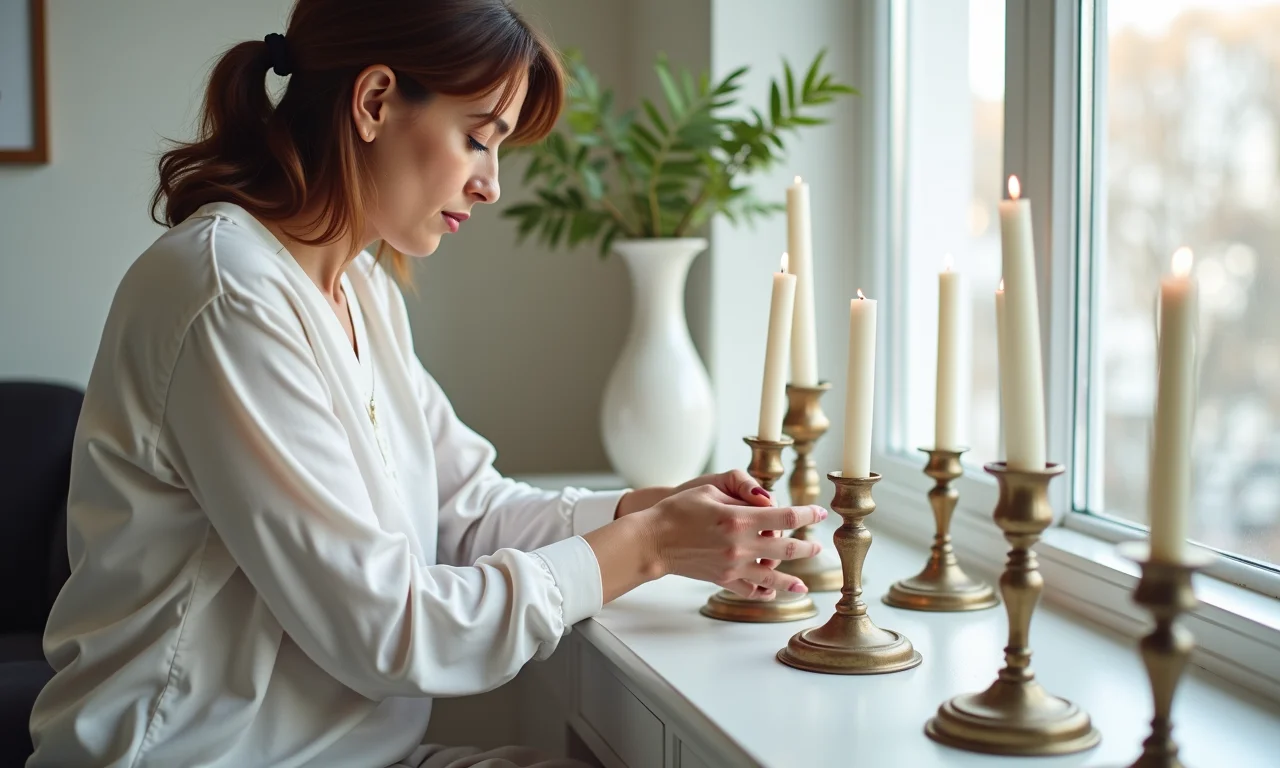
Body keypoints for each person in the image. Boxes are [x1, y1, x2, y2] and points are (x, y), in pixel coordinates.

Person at [26, 1, 826, 766]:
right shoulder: (228, 294)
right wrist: (645, 549)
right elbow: (386, 629)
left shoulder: (360, 290)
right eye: (479, 138)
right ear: (374, 100)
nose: (492, 184)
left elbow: (467, 513)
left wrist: (641, 510)